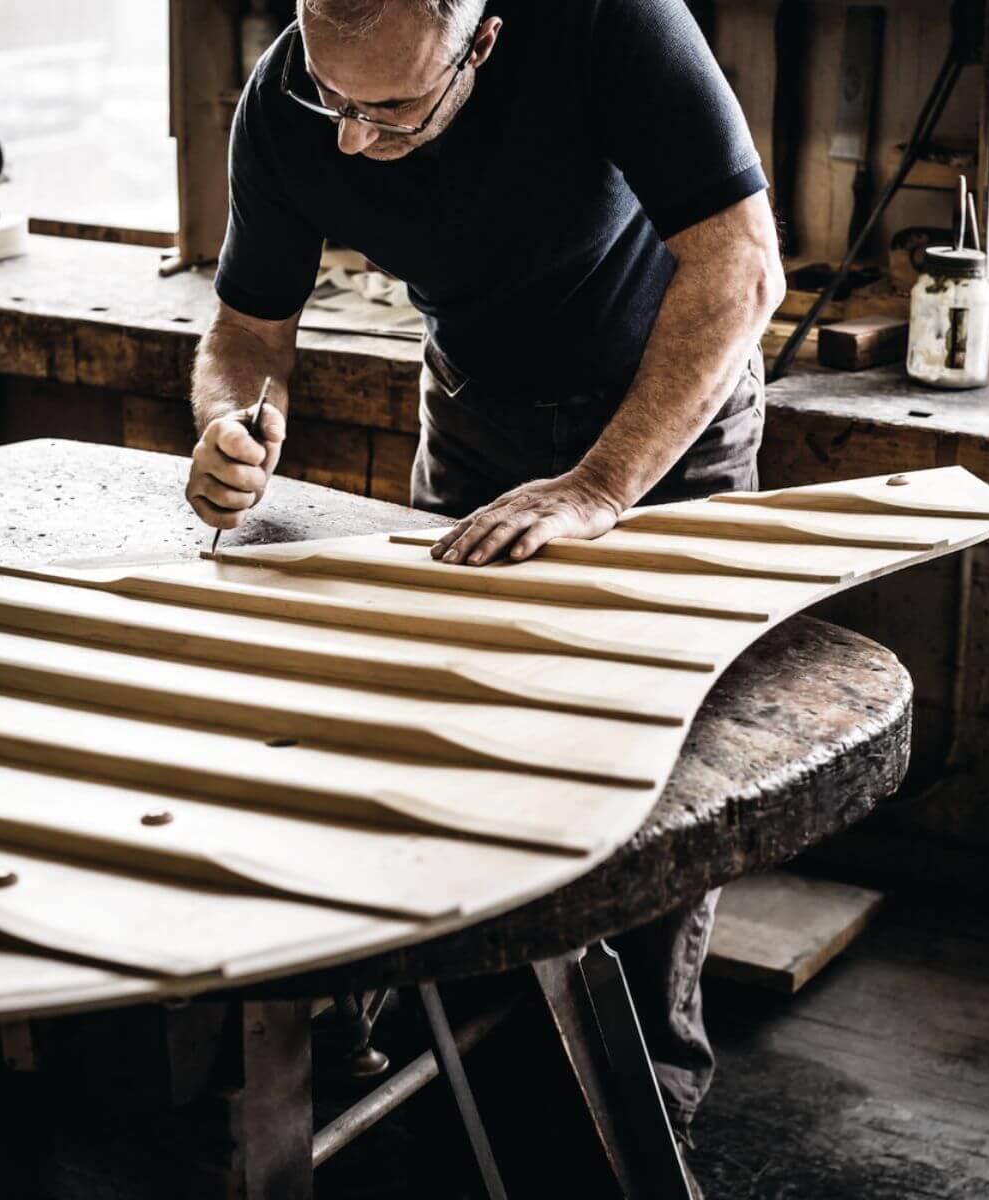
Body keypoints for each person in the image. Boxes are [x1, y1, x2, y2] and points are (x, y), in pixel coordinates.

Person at [185, 0, 785, 1182]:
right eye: (333, 101)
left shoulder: (616, 27)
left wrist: (605, 486)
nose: (351, 140)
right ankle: (415, 1016)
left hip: (661, 415)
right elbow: (248, 325)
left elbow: (741, 266)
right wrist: (226, 423)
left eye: (393, 111)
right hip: (480, 412)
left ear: (484, 38)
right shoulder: (284, 100)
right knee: (439, 712)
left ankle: (647, 1092)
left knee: (657, 765)